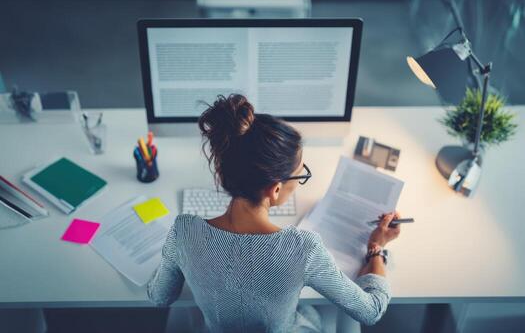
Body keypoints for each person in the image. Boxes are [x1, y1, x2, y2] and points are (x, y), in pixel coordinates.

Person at [147, 94, 401, 332]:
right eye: (300, 175)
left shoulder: (183, 232)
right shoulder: (302, 249)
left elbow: (160, 297)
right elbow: (371, 310)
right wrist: (376, 248)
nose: (301, 179)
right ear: (275, 189)